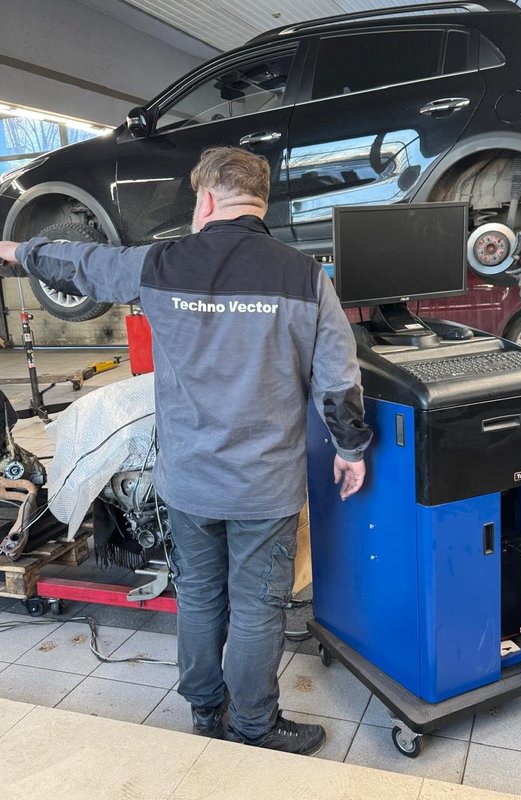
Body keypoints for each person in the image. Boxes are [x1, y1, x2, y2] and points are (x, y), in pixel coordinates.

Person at [0, 146, 372, 755]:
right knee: (257, 607)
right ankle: (254, 725)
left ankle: (205, 710)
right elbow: (338, 381)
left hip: (189, 483)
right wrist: (350, 449)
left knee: (199, 595)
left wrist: (17, 250)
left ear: (206, 199)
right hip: (264, 487)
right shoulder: (305, 277)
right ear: (260, 199)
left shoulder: (162, 265)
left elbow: (83, 264)